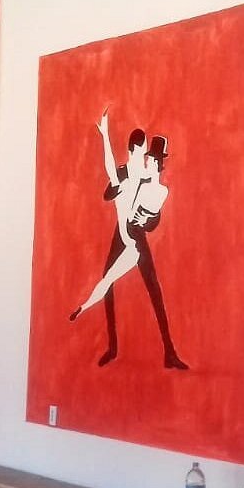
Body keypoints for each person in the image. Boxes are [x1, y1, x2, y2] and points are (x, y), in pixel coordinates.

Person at [70, 112, 187, 370]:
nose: (144, 158)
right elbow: (108, 192)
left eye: (147, 155)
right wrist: (117, 187)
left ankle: (169, 351)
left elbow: (154, 213)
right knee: (108, 281)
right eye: (142, 152)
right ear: (133, 150)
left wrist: (150, 220)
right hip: (120, 234)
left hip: (137, 235)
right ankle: (113, 347)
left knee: (154, 289)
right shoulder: (123, 172)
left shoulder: (147, 176)